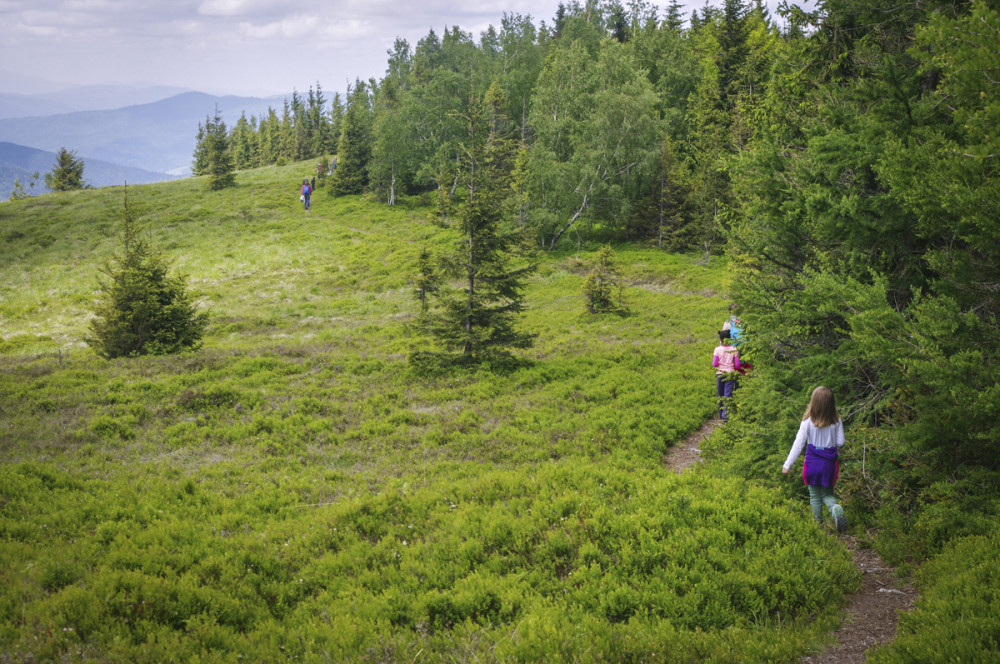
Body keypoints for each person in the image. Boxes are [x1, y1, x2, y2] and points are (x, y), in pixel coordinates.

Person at [782, 386, 848, 533]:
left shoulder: (807, 422)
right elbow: (841, 442)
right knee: (827, 494)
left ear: (814, 403)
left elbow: (798, 444)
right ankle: (834, 507)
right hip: (828, 463)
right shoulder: (837, 421)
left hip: (812, 462)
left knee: (815, 496)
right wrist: (830, 444)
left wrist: (787, 464)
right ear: (831, 404)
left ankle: (818, 526)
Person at [712, 330, 741, 421]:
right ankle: (726, 415)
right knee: (727, 394)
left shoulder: (717, 349)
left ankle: (720, 414)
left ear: (720, 339)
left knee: (720, 394)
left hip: (720, 374)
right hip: (730, 373)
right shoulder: (734, 349)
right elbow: (737, 365)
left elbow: (714, 364)